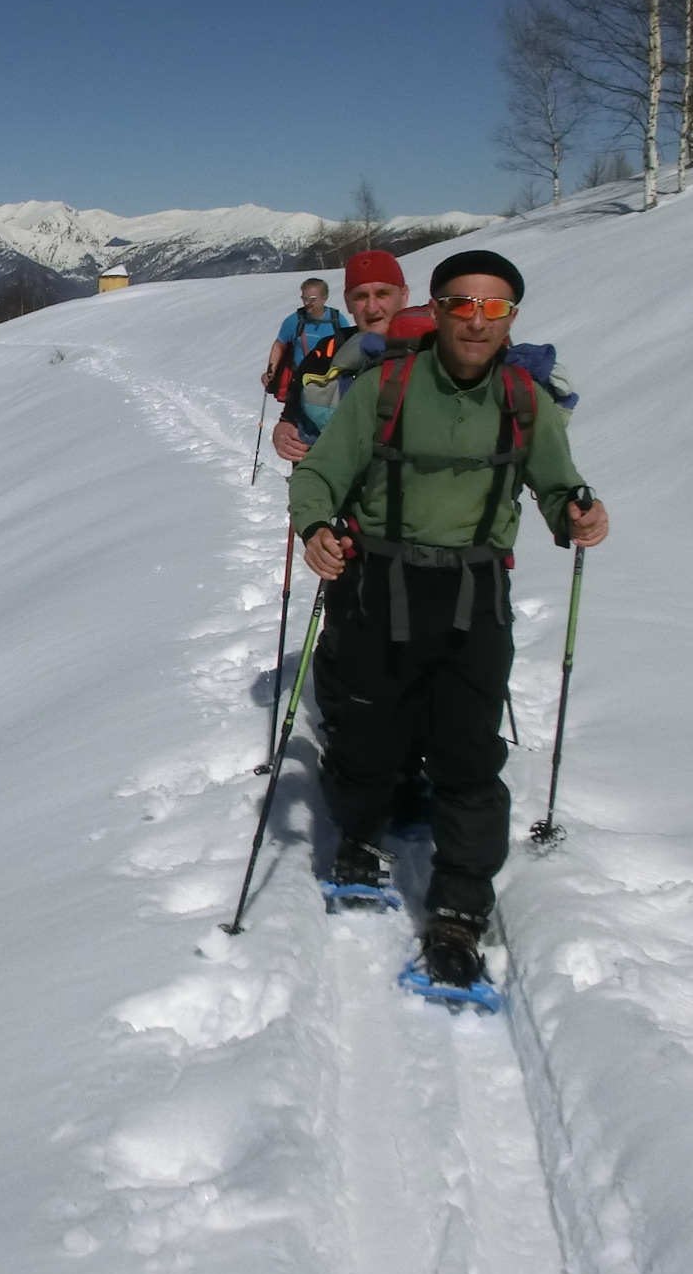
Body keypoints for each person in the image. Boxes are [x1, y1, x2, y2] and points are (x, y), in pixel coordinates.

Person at [286, 248, 609, 992]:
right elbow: (322, 471)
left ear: (511, 318)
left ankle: (461, 905)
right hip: (378, 580)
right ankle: (362, 833)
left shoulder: (524, 400)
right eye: (461, 303)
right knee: (370, 729)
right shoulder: (385, 388)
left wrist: (579, 516)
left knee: (467, 751)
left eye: (493, 308)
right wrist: (315, 529)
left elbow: (559, 485)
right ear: (435, 309)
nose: (476, 319)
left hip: (474, 593)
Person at [272, 250, 409, 461]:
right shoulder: (326, 352)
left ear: (404, 296)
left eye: (382, 294)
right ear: (348, 302)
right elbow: (293, 413)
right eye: (361, 296)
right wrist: (283, 431)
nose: (372, 308)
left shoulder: (428, 350)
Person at [261, 279, 352, 409]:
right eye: (304, 298)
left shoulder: (337, 320)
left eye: (312, 299)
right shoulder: (294, 321)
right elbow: (279, 345)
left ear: (324, 298)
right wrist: (271, 371)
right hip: (300, 382)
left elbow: (348, 347)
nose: (307, 303)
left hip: (331, 384)